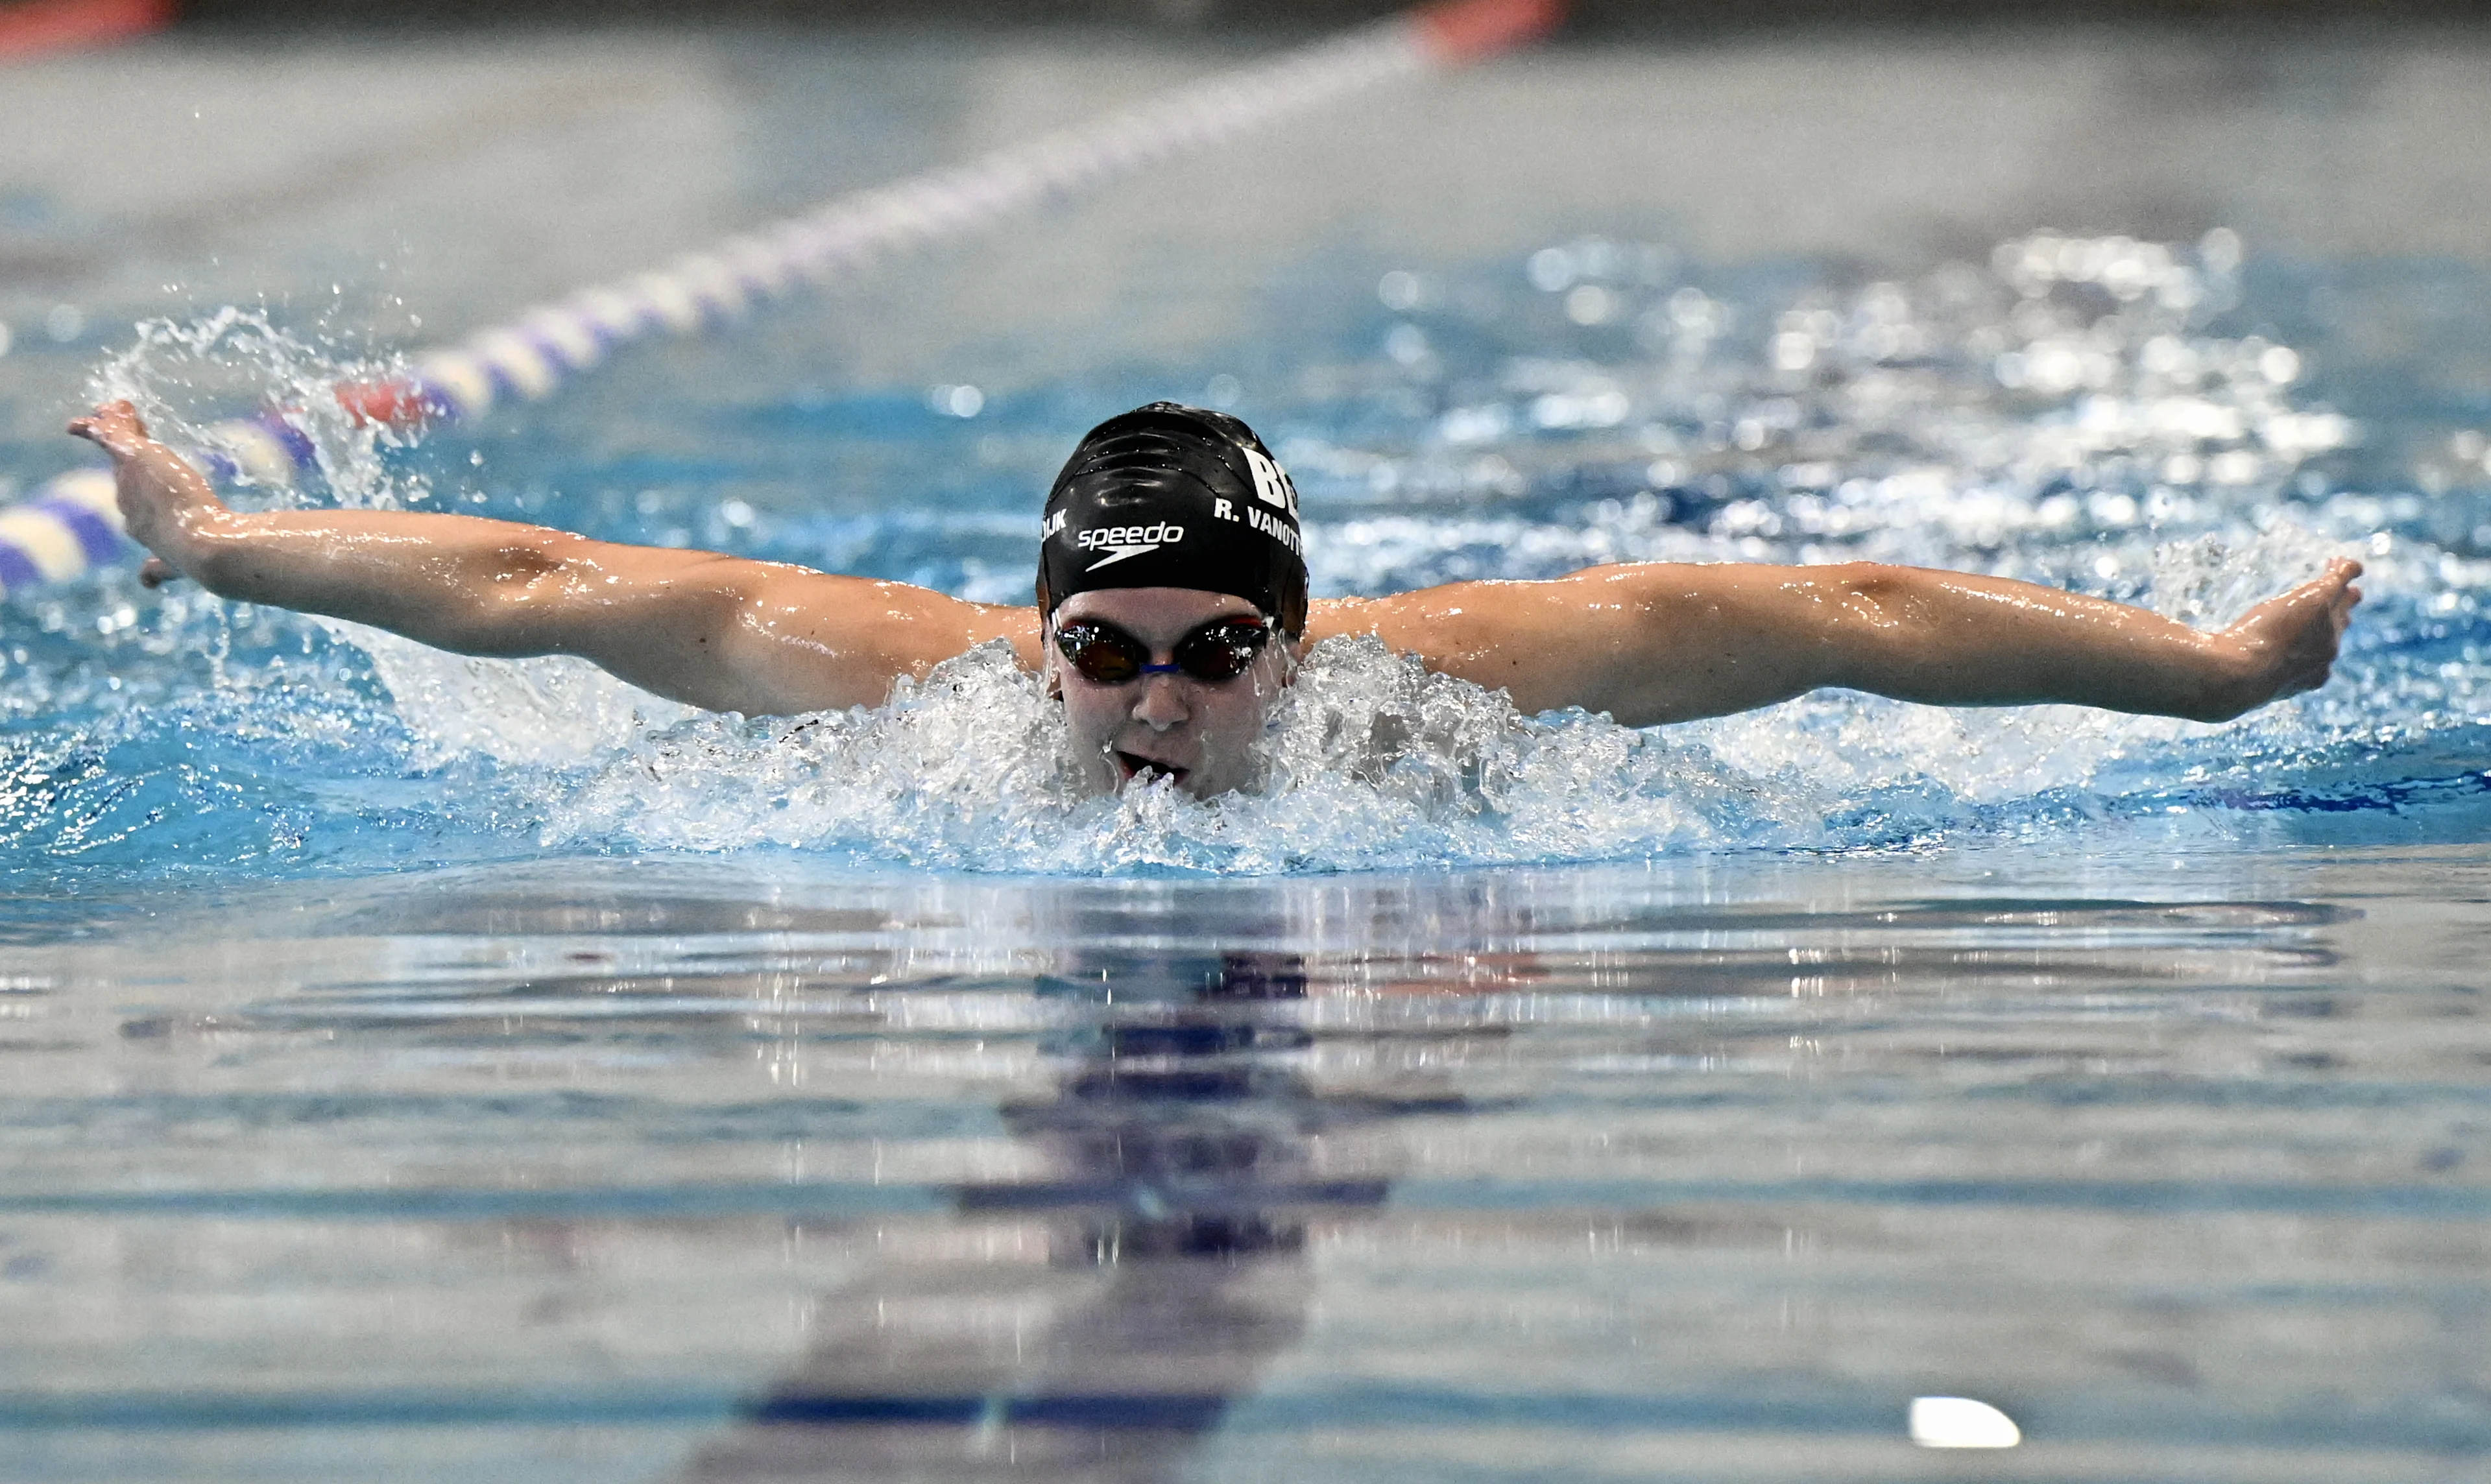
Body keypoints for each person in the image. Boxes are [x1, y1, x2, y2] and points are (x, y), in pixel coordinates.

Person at [69, 397, 2362, 799]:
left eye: (1213, 652)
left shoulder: (1451, 691)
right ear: (1035, 630)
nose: (1154, 702)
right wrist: (203, 545)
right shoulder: (893, 691)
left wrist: (2222, 677)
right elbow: (537, 581)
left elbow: (1846, 612)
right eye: (1102, 651)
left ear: (1298, 638)